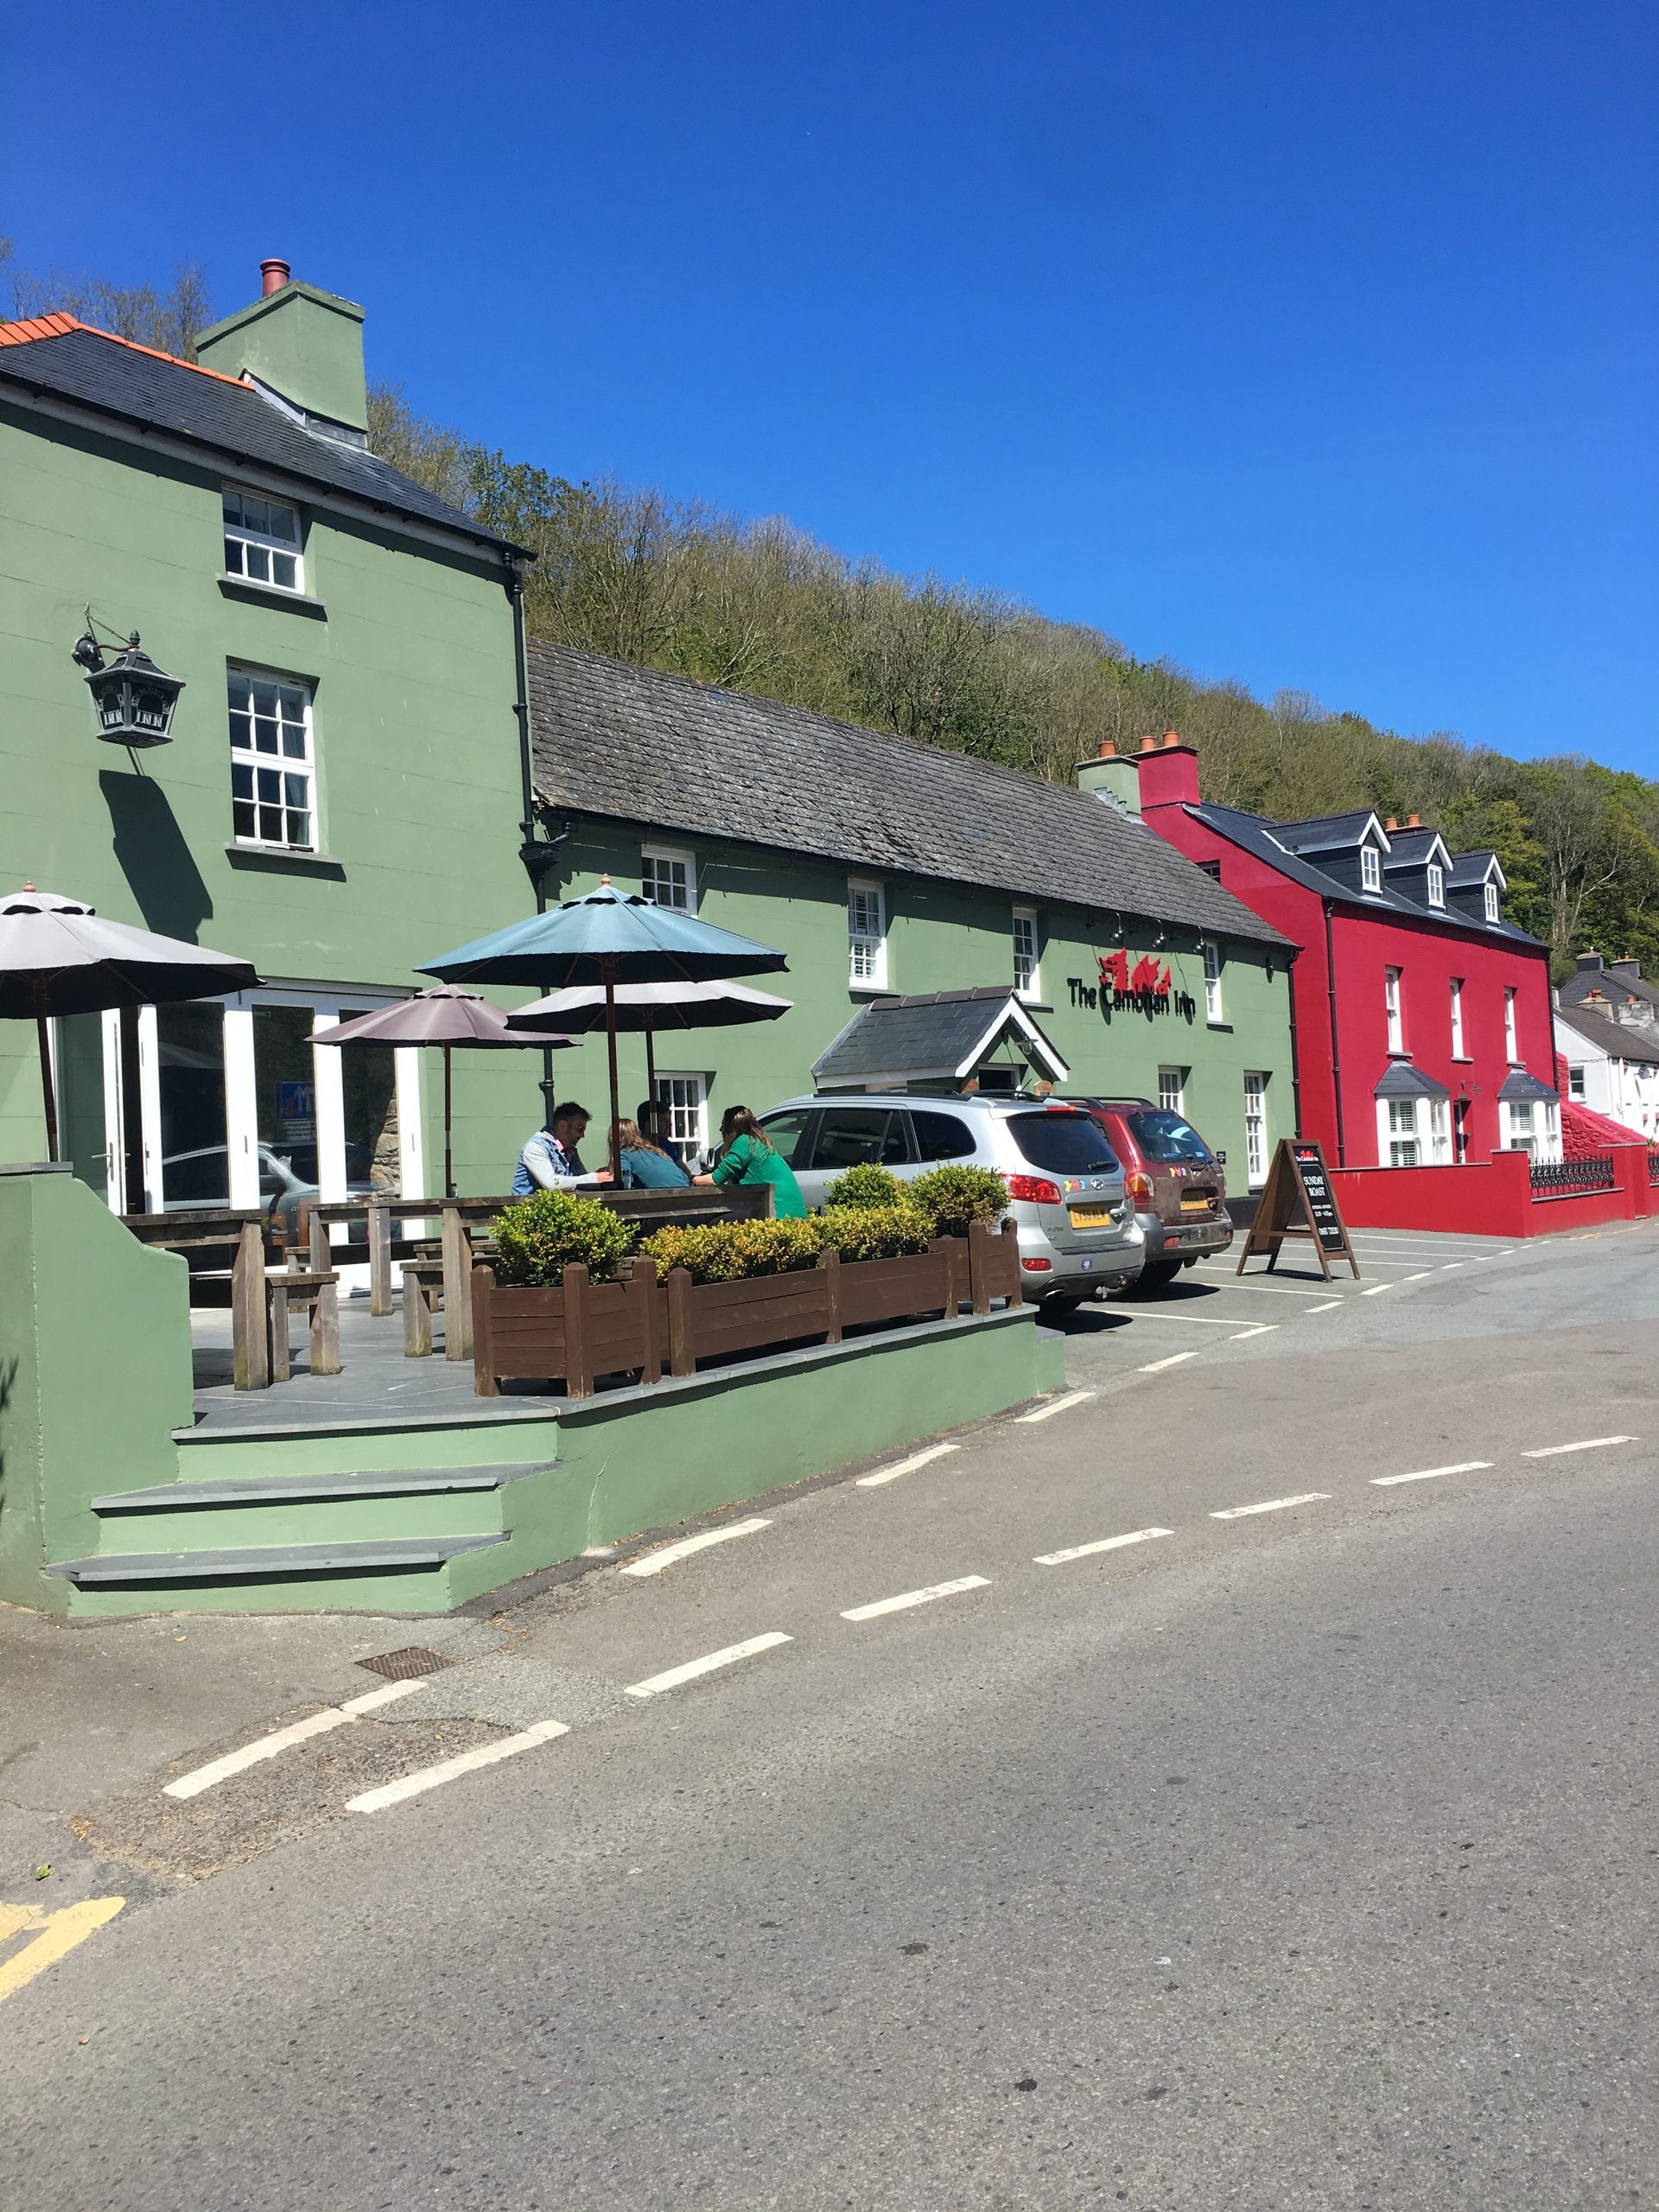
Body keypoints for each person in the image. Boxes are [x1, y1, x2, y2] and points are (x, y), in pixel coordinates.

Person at [694, 1104, 807, 1218]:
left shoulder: (743, 1143)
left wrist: (693, 1179)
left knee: (715, 1225)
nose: (721, 1129)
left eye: (723, 1125)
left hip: (776, 1212)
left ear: (732, 1129)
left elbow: (715, 1179)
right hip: (792, 1214)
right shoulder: (756, 1142)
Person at [510, 1101, 612, 1195]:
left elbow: (581, 1182)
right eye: (580, 1129)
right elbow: (551, 1184)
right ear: (563, 1126)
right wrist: (594, 1178)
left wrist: (600, 1177)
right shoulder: (536, 1147)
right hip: (530, 1212)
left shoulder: (570, 1151)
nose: (582, 1135)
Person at [614, 1116, 690, 1189]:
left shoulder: (624, 1154)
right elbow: (684, 1176)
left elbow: (626, 1181)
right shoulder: (653, 1149)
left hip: (664, 1198)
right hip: (686, 1191)